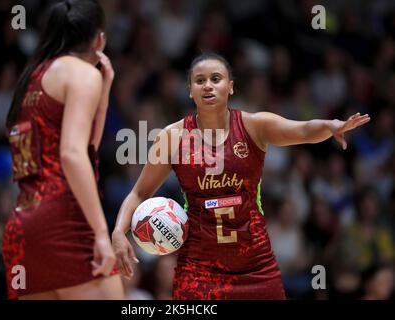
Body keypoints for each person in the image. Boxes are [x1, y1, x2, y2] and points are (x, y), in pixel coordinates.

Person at [112, 52, 371, 299]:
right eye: (199, 81)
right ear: (190, 90)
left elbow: (303, 130)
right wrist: (118, 232)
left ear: (231, 86)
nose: (208, 86)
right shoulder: (172, 137)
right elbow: (140, 193)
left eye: (216, 78)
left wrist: (329, 125)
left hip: (257, 268)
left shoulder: (254, 126)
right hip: (200, 271)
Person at [2, 0, 123, 300]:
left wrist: (104, 93)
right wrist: (100, 233)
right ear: (100, 39)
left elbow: (87, 149)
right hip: (65, 221)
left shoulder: (31, 78)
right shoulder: (81, 74)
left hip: (23, 228)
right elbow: (72, 154)